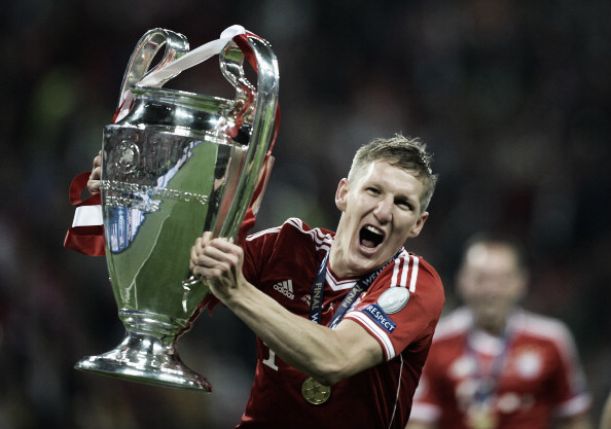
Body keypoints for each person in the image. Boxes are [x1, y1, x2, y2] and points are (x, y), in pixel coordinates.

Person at [186, 134, 446, 428]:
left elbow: (335, 359)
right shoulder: (284, 246)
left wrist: (238, 292)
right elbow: (184, 288)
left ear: (417, 224)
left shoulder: (412, 282)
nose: (384, 212)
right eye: (373, 191)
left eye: (402, 204)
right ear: (343, 194)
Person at [406, 234, 592, 429]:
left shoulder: (551, 339)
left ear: (521, 282)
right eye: (481, 279)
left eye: (501, 280)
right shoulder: (435, 341)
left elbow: (574, 419)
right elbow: (420, 421)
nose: (491, 290)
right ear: (461, 280)